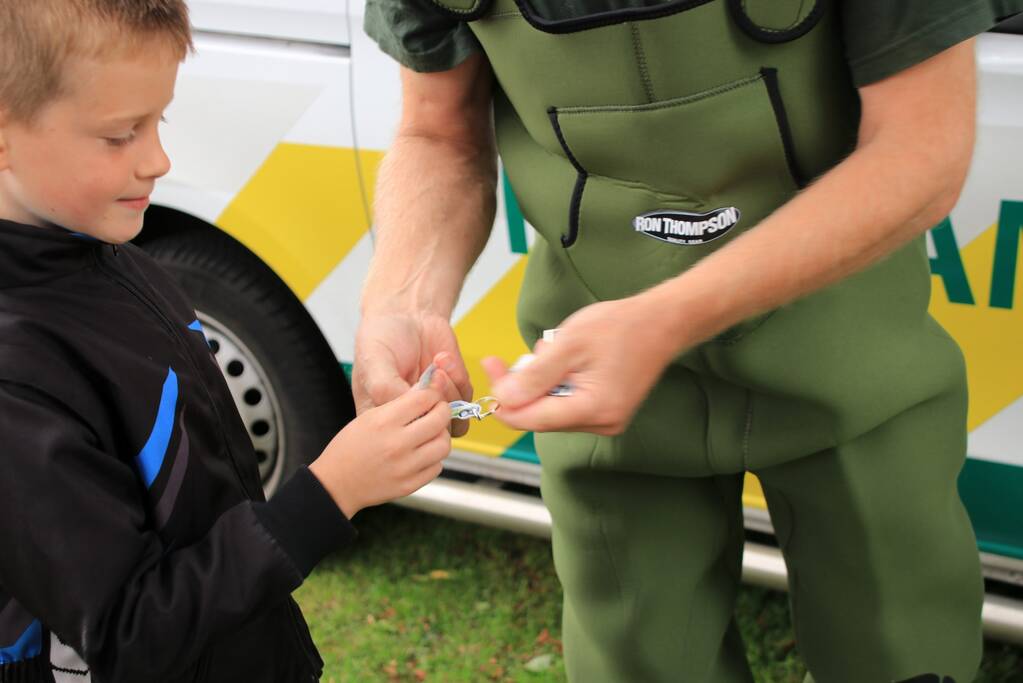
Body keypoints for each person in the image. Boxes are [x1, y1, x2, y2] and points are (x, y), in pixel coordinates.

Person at [356, 1, 1023, 681]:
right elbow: (439, 133)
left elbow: (920, 148)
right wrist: (402, 303)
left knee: (903, 654)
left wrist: (665, 320)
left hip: (854, 366)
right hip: (598, 396)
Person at [0, 2, 454, 681]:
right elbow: (130, 634)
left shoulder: (112, 259)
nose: (157, 160)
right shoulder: (16, 378)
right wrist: (329, 493)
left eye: (159, 121)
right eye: (121, 135)